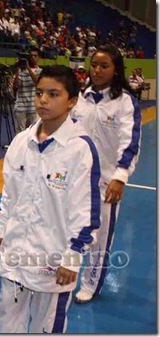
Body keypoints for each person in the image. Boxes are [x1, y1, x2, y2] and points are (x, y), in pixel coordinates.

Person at [0, 65, 101, 333]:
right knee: (5, 322)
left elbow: (86, 212)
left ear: (72, 102)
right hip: (16, 252)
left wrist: (73, 258)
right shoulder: (21, 141)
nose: (43, 100)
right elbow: (9, 193)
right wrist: (1, 229)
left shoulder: (80, 148)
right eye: (40, 92)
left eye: (53, 94)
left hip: (54, 260)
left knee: (47, 327)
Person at [70, 44, 141, 304]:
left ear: (115, 70)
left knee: (99, 238)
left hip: (106, 181)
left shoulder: (125, 102)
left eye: (104, 66)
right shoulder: (79, 98)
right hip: (75, 177)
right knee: (69, 228)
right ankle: (66, 270)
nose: (97, 71)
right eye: (94, 65)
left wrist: (120, 177)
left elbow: (130, 142)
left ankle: (91, 283)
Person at [13, 47, 42, 134]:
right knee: (19, 133)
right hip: (20, 105)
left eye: (35, 55)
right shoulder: (21, 71)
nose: (33, 57)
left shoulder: (40, 71)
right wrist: (18, 69)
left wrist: (28, 68)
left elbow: (37, 83)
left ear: (39, 57)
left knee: (32, 132)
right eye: (31, 56)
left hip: (33, 106)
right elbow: (16, 86)